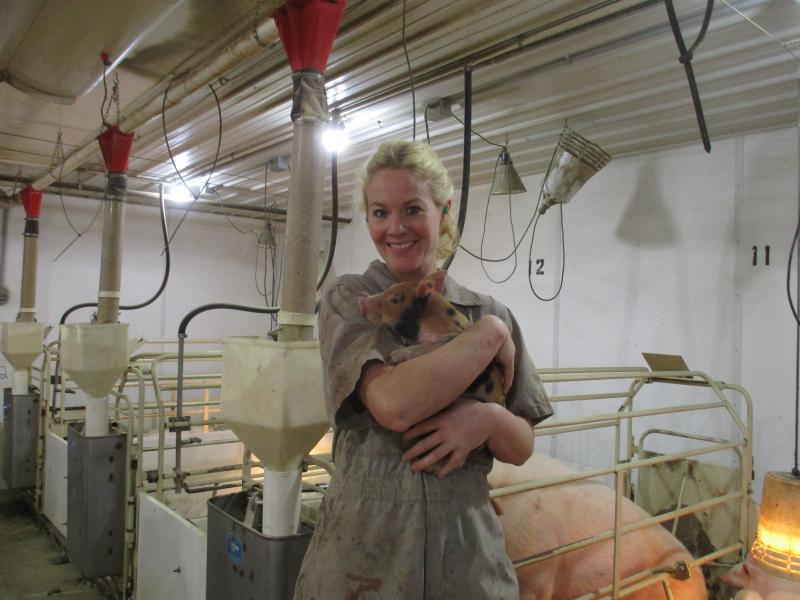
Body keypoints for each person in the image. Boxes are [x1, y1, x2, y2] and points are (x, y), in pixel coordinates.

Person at [293, 141, 553, 599]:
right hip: (365, 557)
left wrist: (488, 419)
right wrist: (487, 336)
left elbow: (521, 446)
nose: (395, 228)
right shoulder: (350, 299)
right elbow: (393, 406)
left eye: (412, 209)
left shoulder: (488, 308)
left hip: (466, 555)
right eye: (379, 213)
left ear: (442, 211)